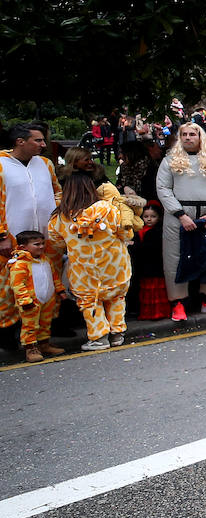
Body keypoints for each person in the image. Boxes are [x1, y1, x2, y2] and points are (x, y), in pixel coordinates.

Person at [48, 172, 133, 350]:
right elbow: (125, 232)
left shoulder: (59, 217)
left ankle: (99, 337)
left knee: (90, 301)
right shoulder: (108, 209)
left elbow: (57, 243)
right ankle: (117, 334)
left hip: (83, 268)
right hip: (115, 264)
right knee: (117, 297)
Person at [155, 122, 206, 321]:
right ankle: (178, 303)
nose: (188, 138)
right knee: (175, 258)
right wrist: (180, 214)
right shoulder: (170, 161)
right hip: (179, 215)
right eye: (184, 134)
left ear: (200, 137)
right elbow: (163, 189)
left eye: (192, 134)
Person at [0, 124, 62, 354]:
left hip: (46, 240)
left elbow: (57, 192)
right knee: (12, 289)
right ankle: (10, 337)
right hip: (13, 242)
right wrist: (2, 236)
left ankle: (43, 338)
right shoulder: (1, 164)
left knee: (46, 287)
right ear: (20, 142)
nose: (44, 145)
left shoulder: (45, 164)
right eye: (38, 141)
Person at [6, 230, 63, 362]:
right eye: (37, 244)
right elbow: (17, 284)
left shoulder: (45, 259)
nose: (42, 246)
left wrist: (60, 290)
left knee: (45, 322)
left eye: (43, 243)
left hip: (48, 298)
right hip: (30, 301)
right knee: (30, 325)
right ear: (22, 247)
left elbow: (54, 276)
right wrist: (25, 300)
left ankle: (44, 344)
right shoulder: (19, 264)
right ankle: (30, 348)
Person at [131, 202, 169, 320]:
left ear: (159, 217)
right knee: (146, 290)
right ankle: (148, 313)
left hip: (155, 266)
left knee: (155, 289)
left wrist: (134, 245)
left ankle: (158, 313)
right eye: (146, 216)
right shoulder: (139, 230)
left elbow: (151, 248)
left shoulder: (158, 231)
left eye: (153, 216)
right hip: (144, 267)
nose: (149, 219)